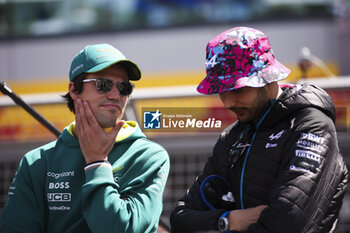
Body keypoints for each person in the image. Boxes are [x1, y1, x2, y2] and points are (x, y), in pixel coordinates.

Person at [170, 27, 348, 233]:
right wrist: (229, 220)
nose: (228, 103)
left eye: (237, 89)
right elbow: (181, 217)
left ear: (267, 77)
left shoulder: (311, 125)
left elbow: (286, 222)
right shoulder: (234, 136)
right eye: (221, 91)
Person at [1, 43, 170, 233]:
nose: (115, 95)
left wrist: (96, 162)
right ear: (74, 90)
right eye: (103, 84)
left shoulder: (149, 156)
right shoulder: (36, 162)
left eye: (124, 87)